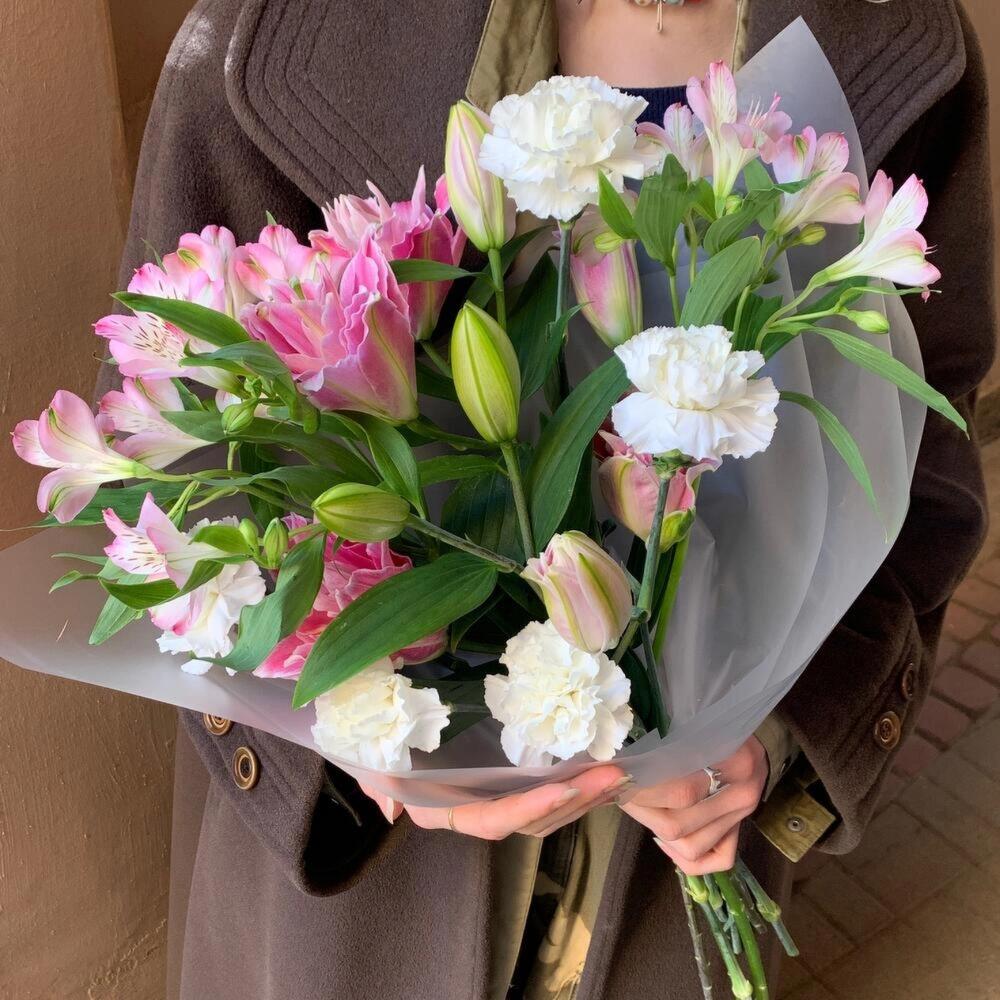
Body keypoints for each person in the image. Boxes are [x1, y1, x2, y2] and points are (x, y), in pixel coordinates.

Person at [108, 1, 994, 997]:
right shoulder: (275, 33)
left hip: (670, 864)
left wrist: (783, 737)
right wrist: (347, 724)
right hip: (370, 900)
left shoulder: (897, 42)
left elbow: (922, 459)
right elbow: (175, 440)